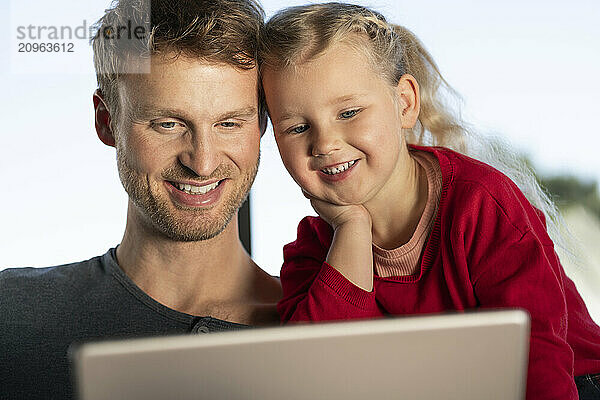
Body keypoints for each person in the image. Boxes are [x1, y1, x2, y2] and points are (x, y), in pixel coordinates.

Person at [259, 3, 600, 399]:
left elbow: (536, 358)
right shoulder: (311, 254)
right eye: (297, 127)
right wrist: (351, 229)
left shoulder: (483, 204)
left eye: (349, 112)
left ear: (404, 103)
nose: (326, 143)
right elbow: (315, 375)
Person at [0, 0, 282, 399]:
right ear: (106, 120)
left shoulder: (327, 329)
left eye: (229, 123)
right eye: (167, 124)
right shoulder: (11, 314)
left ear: (263, 125)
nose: (202, 163)